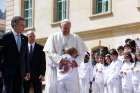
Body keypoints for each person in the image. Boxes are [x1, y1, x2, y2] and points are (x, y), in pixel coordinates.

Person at [43, 19, 87, 93]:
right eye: (65, 28)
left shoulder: (75, 38)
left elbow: (82, 53)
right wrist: (60, 60)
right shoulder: (53, 37)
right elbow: (49, 52)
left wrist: (76, 62)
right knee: (55, 89)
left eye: (68, 28)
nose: (66, 30)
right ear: (60, 27)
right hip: (56, 69)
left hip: (72, 70)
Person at [0, 16, 30, 93]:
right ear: (14, 25)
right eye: (22, 25)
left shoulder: (25, 38)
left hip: (21, 72)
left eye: (24, 25)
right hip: (8, 72)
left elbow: (26, 56)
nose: (24, 27)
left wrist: (27, 71)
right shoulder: (5, 37)